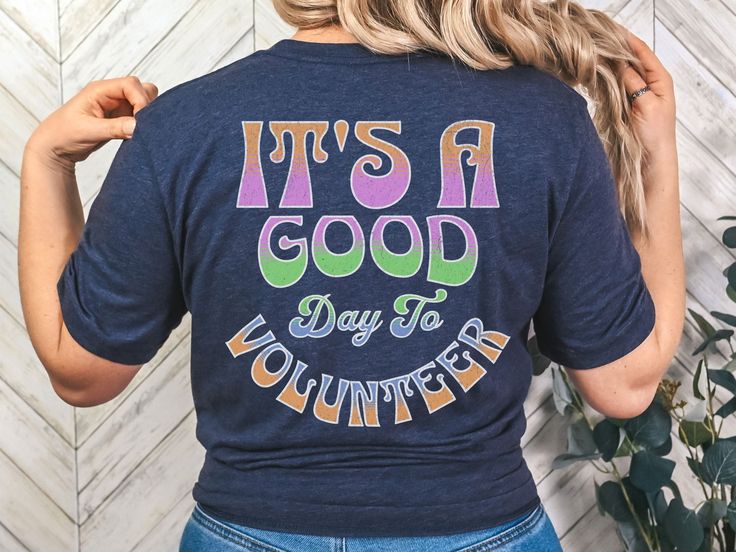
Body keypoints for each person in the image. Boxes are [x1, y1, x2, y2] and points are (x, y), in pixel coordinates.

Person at [18, 0, 684, 550]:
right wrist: (653, 156)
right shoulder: (543, 120)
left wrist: (46, 161)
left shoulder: (184, 127)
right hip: (483, 530)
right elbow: (625, 384)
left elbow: (81, 371)